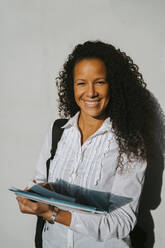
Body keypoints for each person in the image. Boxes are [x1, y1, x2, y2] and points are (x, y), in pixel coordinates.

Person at [16, 40, 165, 248]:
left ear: (113, 84)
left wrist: (52, 213)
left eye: (100, 82)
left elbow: (123, 221)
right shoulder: (57, 131)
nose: (91, 92)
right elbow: (41, 180)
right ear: (72, 86)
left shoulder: (130, 142)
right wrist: (37, 193)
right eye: (81, 83)